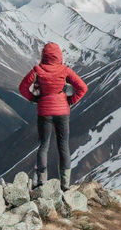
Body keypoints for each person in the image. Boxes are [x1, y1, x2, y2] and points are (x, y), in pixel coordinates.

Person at [19, 42, 87, 191]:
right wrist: (69, 101)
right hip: (62, 112)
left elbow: (22, 87)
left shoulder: (37, 70)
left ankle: (41, 182)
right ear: (59, 56)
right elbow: (82, 87)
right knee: (63, 145)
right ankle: (65, 184)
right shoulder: (65, 70)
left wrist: (33, 98)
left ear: (44, 55)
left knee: (44, 145)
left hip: (44, 112)